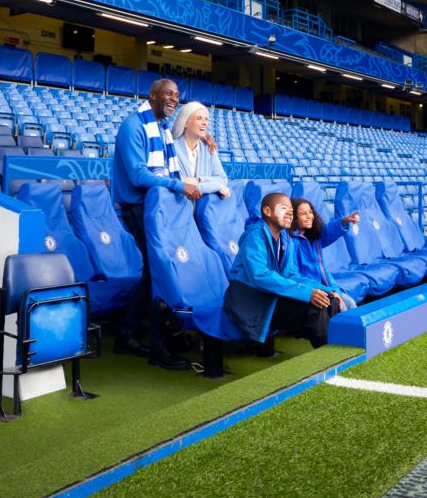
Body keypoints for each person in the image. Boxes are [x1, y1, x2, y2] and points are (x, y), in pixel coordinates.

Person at [112, 78, 202, 370]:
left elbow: (175, 162)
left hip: (159, 209)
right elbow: (138, 176)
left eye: (177, 95)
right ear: (152, 96)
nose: (174, 98)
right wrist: (178, 187)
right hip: (139, 208)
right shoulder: (133, 126)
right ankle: (154, 343)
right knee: (158, 271)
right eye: (168, 93)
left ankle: (131, 333)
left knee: (157, 271)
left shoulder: (163, 129)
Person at [224, 192, 341, 349]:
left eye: (292, 211)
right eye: (284, 208)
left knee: (330, 300)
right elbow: (260, 276)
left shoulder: (286, 239)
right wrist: (307, 293)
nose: (289, 214)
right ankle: (331, 359)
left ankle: (341, 350)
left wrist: (327, 290)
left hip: (272, 295)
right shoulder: (255, 235)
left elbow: (291, 275)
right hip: (250, 299)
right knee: (317, 308)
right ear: (267, 211)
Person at [291, 198, 360, 311]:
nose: (309, 216)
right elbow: (295, 276)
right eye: (304, 214)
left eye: (310, 212)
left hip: (328, 285)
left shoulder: (315, 235)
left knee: (351, 303)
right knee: (341, 308)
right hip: (312, 290)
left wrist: (344, 221)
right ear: (294, 217)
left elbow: (328, 231)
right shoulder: (291, 242)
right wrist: (327, 291)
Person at [171, 101, 231, 198]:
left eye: (206, 119)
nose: (205, 123)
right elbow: (176, 181)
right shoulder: (172, 147)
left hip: (202, 210)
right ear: (186, 123)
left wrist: (198, 181)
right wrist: (215, 186)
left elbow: (222, 180)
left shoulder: (209, 149)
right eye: (199, 118)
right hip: (179, 208)